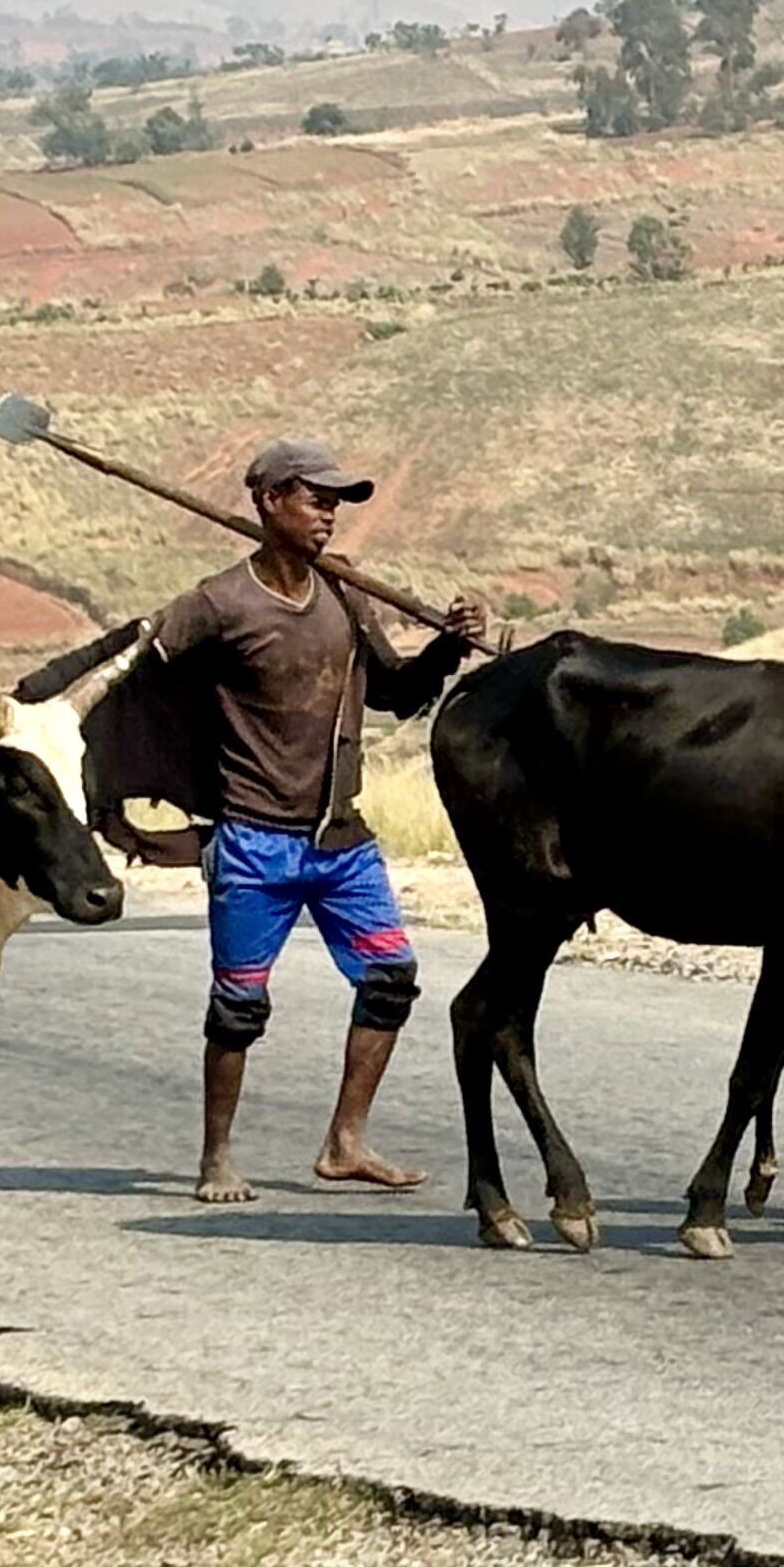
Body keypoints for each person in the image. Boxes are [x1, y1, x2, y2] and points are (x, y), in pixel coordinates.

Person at [121, 438, 487, 1203]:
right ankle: (216, 1156)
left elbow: (393, 691)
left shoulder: (345, 597)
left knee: (391, 981)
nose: (328, 514)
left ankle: (345, 1141)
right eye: (315, 498)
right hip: (252, 842)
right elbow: (131, 685)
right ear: (269, 502)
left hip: (339, 843)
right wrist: (131, 816)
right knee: (239, 1007)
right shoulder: (217, 603)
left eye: (335, 502)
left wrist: (446, 648)